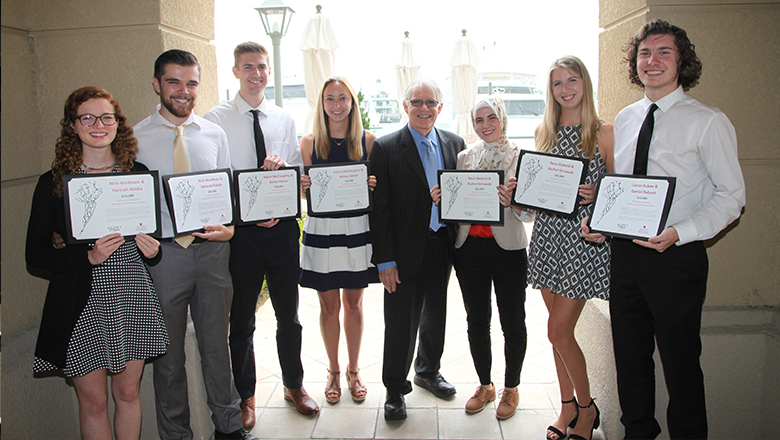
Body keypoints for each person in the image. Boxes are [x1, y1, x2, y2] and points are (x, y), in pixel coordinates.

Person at [582, 20, 745, 439]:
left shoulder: (708, 120)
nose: (652, 61)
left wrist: (680, 231)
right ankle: (638, 432)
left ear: (681, 61)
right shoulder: (626, 117)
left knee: (680, 364)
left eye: (663, 53)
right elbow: (623, 186)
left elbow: (731, 197)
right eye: (644, 54)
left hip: (677, 257)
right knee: (631, 361)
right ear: (635, 64)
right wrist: (602, 219)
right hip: (626, 258)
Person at [26, 86, 169, 440]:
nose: (98, 124)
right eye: (87, 117)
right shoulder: (53, 185)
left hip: (132, 295)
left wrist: (154, 251)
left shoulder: (137, 173)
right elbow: (36, 255)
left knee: (128, 394)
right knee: (93, 403)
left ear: (117, 124)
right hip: (81, 302)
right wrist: (87, 256)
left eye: (107, 117)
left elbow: (151, 239)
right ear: (73, 126)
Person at [134, 49, 256, 440]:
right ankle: (176, 435)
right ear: (157, 84)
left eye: (191, 83)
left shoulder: (213, 134)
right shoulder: (133, 139)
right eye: (174, 81)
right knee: (168, 357)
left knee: (217, 348)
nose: (183, 91)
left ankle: (230, 427)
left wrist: (231, 229)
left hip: (213, 254)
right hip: (163, 257)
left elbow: (225, 198)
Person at [203, 42, 317, 423]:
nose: (256, 73)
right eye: (248, 66)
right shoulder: (215, 120)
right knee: (243, 318)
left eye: (262, 67)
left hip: (284, 231)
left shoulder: (284, 119)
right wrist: (247, 215)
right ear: (235, 72)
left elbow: (299, 177)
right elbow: (215, 182)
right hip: (242, 236)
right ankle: (246, 395)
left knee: (290, 315)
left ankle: (294, 384)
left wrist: (286, 174)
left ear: (269, 72)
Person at [431, 95, 534, 420]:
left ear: (502, 118)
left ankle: (511, 387)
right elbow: (458, 204)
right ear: (472, 124)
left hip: (508, 250)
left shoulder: (522, 157)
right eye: (479, 120)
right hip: (469, 250)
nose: (486, 125)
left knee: (512, 322)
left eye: (492, 118)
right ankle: (485, 384)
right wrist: (441, 199)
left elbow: (529, 213)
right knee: (477, 321)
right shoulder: (465, 156)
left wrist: (513, 203)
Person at [526, 56, 614, 440]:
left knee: (559, 331)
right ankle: (565, 409)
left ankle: (586, 408)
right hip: (547, 239)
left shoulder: (603, 132)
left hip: (582, 241)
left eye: (572, 80)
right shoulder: (543, 132)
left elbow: (620, 193)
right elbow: (535, 197)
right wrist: (515, 196)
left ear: (585, 83)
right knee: (554, 331)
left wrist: (599, 193)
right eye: (558, 83)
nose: (566, 89)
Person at [368, 78, 466, 421]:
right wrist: (386, 261)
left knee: (435, 314)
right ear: (405, 106)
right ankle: (395, 388)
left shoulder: (456, 144)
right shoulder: (385, 147)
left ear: (440, 107)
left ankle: (427, 370)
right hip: (403, 251)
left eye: (431, 102)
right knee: (400, 323)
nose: (424, 108)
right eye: (417, 102)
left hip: (443, 246)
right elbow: (377, 210)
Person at [298, 77, 379, 405]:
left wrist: (374, 184)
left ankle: (354, 369)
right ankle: (333, 370)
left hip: (357, 231)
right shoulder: (308, 142)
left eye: (342, 98)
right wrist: (302, 185)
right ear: (321, 103)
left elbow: (380, 192)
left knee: (354, 304)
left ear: (352, 102)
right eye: (329, 98)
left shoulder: (369, 140)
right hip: (322, 233)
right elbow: (306, 194)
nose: (336, 104)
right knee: (328, 307)